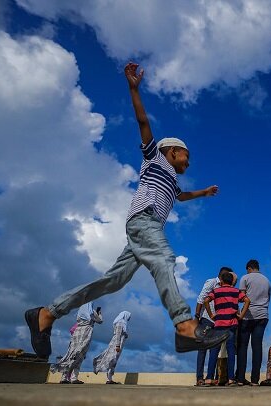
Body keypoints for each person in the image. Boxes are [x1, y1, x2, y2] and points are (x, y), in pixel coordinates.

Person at [24, 62, 227, 359]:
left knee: (113, 281)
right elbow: (144, 124)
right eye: (186, 155)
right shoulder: (155, 161)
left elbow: (181, 197)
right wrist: (134, 89)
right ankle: (184, 325)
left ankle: (46, 314)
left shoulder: (171, 181)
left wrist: (204, 193)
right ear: (171, 151)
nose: (189, 161)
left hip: (143, 230)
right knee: (163, 258)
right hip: (144, 222)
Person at [204, 272, 250, 386]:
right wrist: (241, 315)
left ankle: (209, 378)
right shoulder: (236, 291)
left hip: (219, 324)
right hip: (231, 324)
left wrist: (211, 315)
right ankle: (230, 379)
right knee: (230, 351)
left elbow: (205, 300)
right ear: (231, 281)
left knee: (214, 351)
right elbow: (247, 300)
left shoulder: (216, 291)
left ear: (221, 281)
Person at [193, 266, 234, 386]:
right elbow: (201, 298)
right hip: (206, 319)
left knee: (214, 350)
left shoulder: (226, 287)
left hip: (219, 321)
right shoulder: (211, 282)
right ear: (222, 275)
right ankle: (199, 378)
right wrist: (197, 316)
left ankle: (212, 377)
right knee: (203, 349)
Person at [236, 259, 271, 386]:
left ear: (249, 268)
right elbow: (268, 298)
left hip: (247, 316)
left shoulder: (245, 278)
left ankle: (240, 378)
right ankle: (255, 380)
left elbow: (242, 297)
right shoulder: (267, 280)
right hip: (262, 316)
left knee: (242, 347)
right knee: (257, 347)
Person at [50, 302, 103, 384]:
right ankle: (74, 378)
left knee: (71, 354)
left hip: (76, 333)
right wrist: (99, 314)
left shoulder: (79, 313)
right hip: (86, 333)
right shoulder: (92, 312)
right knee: (79, 356)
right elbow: (100, 321)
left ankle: (64, 378)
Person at [93, 311, 131, 384]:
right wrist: (117, 345)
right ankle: (99, 367)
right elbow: (118, 334)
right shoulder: (121, 322)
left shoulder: (123, 323)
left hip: (118, 344)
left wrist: (125, 335)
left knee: (113, 361)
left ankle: (109, 379)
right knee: (111, 359)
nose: (129, 318)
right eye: (129, 316)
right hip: (116, 344)